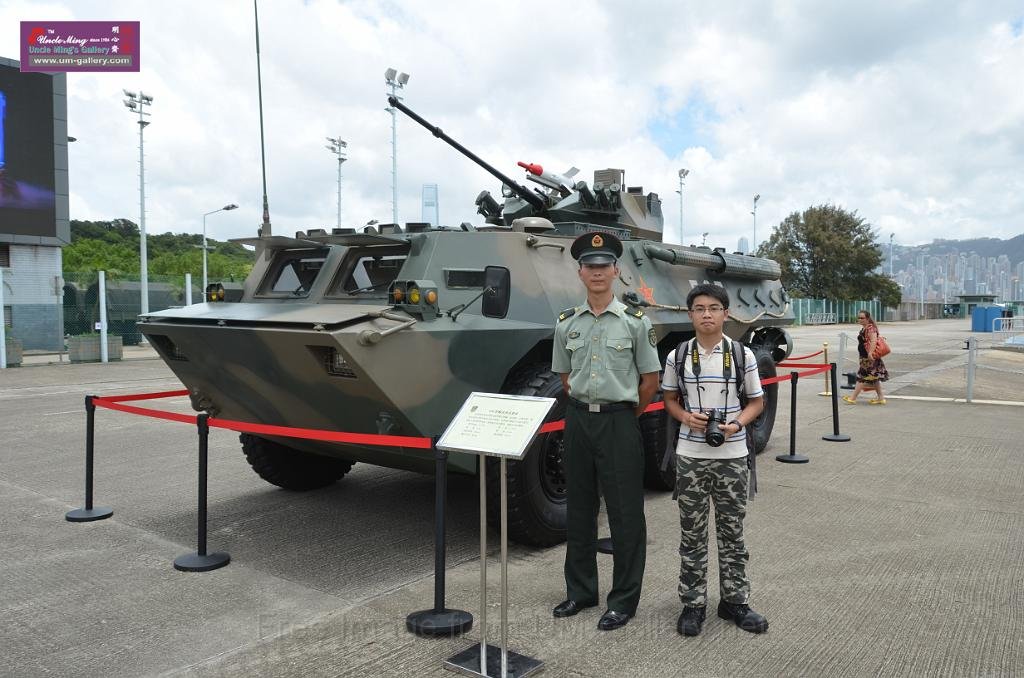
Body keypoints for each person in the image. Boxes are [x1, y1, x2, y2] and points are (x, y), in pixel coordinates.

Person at [550, 231, 661, 631]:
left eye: (604, 266)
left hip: (619, 421)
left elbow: (650, 379)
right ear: (580, 272)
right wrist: (588, 407)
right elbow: (565, 375)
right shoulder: (567, 323)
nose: (597, 272)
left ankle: (623, 600)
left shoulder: (635, 323)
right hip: (578, 420)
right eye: (589, 266)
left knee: (625, 513)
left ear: (615, 271)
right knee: (578, 509)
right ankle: (580, 591)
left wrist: (624, 412)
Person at [661, 283, 769, 636]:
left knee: (732, 531)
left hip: (732, 455)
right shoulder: (677, 356)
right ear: (690, 314)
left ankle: (735, 601)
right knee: (691, 534)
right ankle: (693, 604)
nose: (706, 314)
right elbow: (669, 399)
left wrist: (736, 423)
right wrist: (685, 417)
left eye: (713, 308)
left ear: (726, 313)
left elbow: (756, 401)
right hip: (691, 455)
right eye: (699, 308)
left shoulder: (742, 355)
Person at [842, 309, 890, 405]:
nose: (860, 319)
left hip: (869, 358)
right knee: (874, 378)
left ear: (867, 318)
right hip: (865, 357)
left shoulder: (870, 328)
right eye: (859, 318)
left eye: (862, 318)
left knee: (861, 377)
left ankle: (853, 398)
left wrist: (870, 354)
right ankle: (881, 398)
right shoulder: (865, 328)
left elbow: (873, 341)